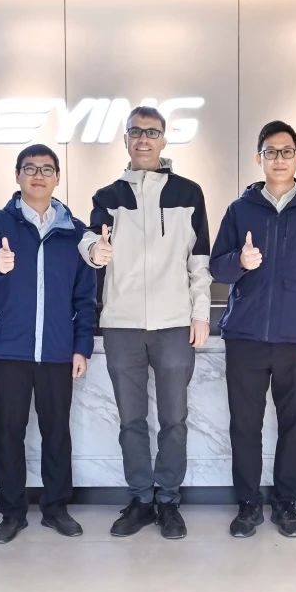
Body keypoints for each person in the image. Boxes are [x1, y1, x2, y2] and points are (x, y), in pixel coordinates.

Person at [78, 106, 212, 540]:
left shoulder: (188, 192)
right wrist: (93, 251)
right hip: (122, 324)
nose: (143, 139)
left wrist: (200, 313)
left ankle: (168, 500)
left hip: (174, 324)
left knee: (174, 419)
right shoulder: (108, 195)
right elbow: (90, 238)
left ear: (164, 140)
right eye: (135, 132)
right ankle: (140, 498)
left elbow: (199, 260)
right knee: (131, 420)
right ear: (125, 139)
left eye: (151, 132)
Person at [208, 120, 296, 538]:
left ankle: (286, 503)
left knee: (293, 426)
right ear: (259, 158)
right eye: (270, 152)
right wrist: (239, 262)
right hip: (245, 337)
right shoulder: (240, 209)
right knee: (244, 426)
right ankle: (248, 505)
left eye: (286, 152)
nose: (278, 159)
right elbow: (217, 267)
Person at [0, 144, 96, 544]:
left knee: (57, 432)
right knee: (9, 433)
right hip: (7, 349)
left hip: (57, 350)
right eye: (30, 168)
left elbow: (85, 296)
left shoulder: (76, 232)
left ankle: (56, 508)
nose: (38, 175)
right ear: (17, 175)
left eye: (46, 169)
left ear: (57, 177)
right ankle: (12, 513)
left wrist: (82, 346)